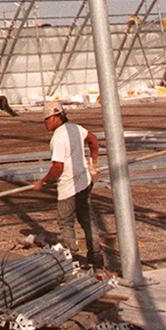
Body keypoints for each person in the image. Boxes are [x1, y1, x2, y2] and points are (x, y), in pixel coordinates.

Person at [33, 103, 102, 268]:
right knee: (87, 220)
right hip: (84, 182)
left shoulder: (58, 137)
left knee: (66, 223)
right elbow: (93, 139)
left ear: (57, 117)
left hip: (68, 188)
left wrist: (42, 182)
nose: (45, 123)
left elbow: (58, 167)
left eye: (47, 119)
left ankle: (71, 259)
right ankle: (96, 259)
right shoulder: (76, 128)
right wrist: (93, 161)